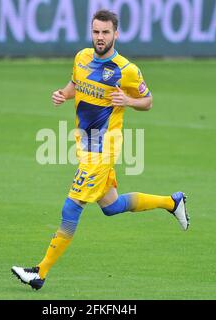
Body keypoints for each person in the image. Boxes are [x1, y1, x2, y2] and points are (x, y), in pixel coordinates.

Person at [11, 9, 190, 290]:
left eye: (105, 32)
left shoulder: (126, 70)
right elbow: (75, 84)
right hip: (85, 144)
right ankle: (172, 202)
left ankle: (39, 272)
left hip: (102, 149)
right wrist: (63, 93)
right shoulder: (81, 57)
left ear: (115, 34)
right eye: (96, 32)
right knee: (111, 206)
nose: (100, 37)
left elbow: (149, 101)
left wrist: (129, 102)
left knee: (72, 206)